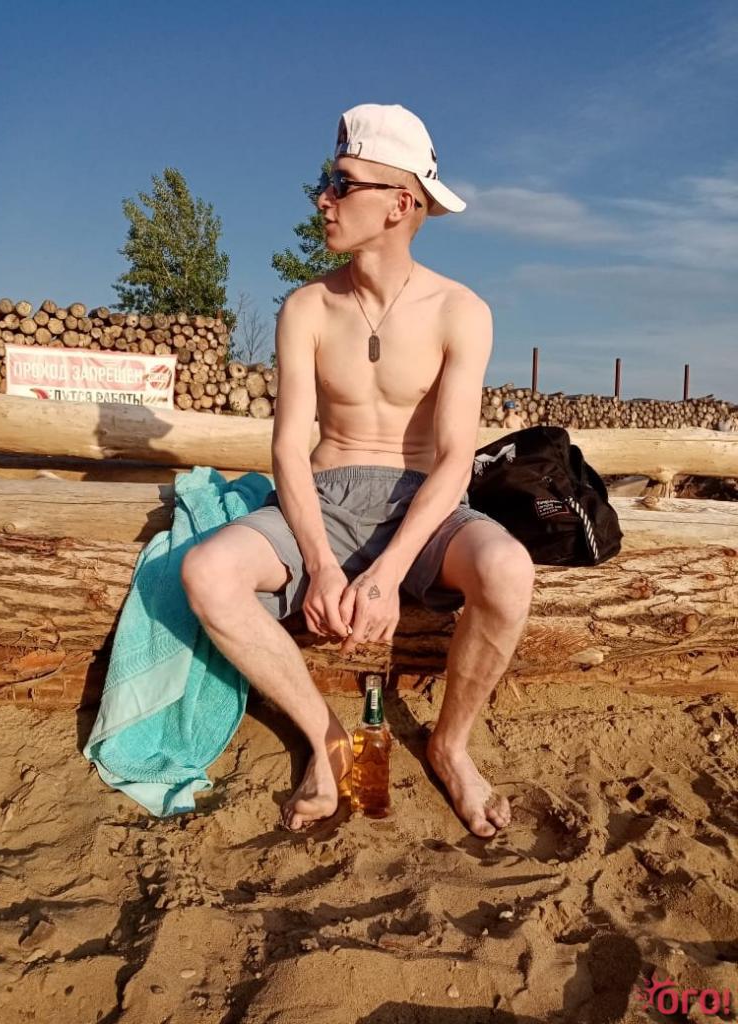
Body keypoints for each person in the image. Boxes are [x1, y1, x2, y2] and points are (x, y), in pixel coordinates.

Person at [181, 103, 535, 838]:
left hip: (423, 504)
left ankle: (450, 746)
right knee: (206, 572)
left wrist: (389, 570)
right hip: (325, 495)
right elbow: (288, 448)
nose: (323, 198)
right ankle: (325, 738)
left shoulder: (460, 310)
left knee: (508, 569)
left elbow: (455, 459)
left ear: (400, 204)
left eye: (342, 183)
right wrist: (320, 564)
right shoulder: (306, 307)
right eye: (326, 181)